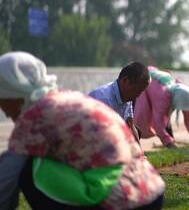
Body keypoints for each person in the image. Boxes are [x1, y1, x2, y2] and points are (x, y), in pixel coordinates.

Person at [0, 52, 165, 209]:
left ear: (14, 94)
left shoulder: (35, 116)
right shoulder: (67, 98)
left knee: (26, 164)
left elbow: (8, 173)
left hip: (123, 201)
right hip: (150, 191)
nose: (3, 110)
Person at [134, 66, 189, 149]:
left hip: (153, 79)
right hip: (141, 83)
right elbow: (158, 123)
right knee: (141, 119)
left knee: (166, 115)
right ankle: (133, 148)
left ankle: (170, 141)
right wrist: (169, 144)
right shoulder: (161, 96)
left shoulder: (181, 91)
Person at [89, 62, 149, 143]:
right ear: (125, 81)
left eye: (140, 92)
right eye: (136, 90)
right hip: (91, 138)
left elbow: (131, 126)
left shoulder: (127, 97)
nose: (137, 96)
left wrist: (140, 154)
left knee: (136, 132)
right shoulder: (103, 99)